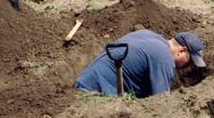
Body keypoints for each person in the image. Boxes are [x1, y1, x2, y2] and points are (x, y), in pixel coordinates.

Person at [75, 30, 206, 98]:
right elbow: (161, 102)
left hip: (85, 81)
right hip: (94, 91)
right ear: (181, 51)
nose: (187, 66)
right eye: (189, 61)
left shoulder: (148, 35)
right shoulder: (164, 58)